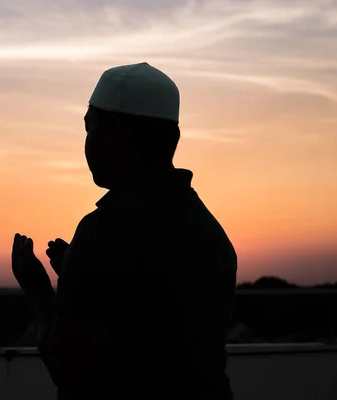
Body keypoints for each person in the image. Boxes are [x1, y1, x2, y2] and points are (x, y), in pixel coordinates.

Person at [12, 62, 237, 399]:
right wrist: (77, 273)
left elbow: (68, 367)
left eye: (89, 128)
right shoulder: (211, 233)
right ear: (172, 138)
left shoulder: (104, 232)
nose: (86, 144)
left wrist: (38, 290)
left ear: (113, 130)